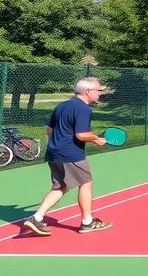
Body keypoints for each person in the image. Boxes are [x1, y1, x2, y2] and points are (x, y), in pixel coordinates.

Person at [23, 77, 113, 236]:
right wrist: (97, 139)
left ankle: (36, 218)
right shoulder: (84, 109)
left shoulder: (62, 105)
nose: (101, 93)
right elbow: (81, 134)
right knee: (86, 183)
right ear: (88, 91)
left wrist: (57, 144)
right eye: (99, 90)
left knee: (60, 186)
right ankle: (87, 222)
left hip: (54, 152)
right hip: (71, 154)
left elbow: (48, 130)